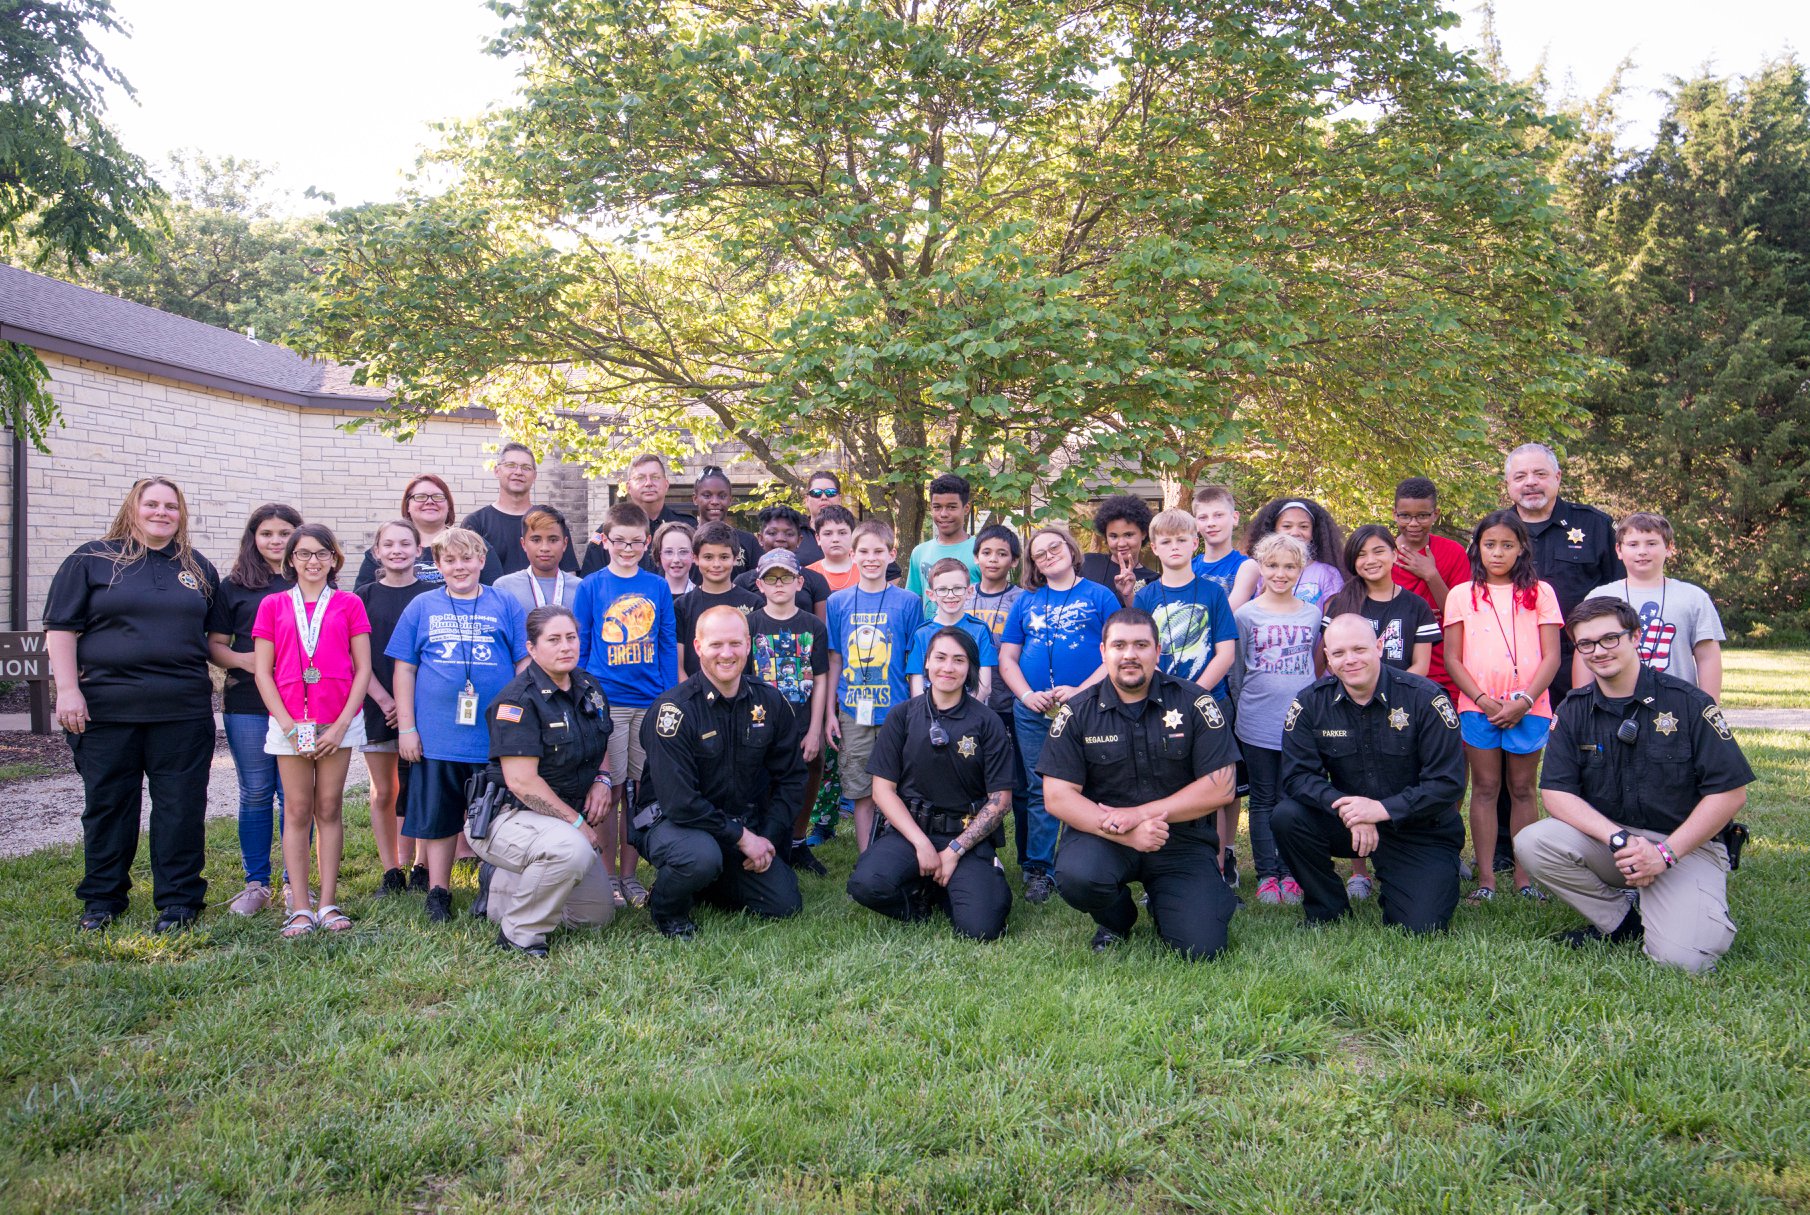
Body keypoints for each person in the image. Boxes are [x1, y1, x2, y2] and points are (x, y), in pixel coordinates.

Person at [1517, 598, 1754, 973]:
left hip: (1685, 847)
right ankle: (1620, 921)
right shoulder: (1574, 709)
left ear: (1636, 637)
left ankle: (1672, 899)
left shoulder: (1689, 704)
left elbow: (1729, 792)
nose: (1599, 651)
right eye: (1587, 644)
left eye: (1610, 638)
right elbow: (1556, 794)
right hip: (1615, 843)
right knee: (1534, 841)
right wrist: (1619, 840)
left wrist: (1663, 854)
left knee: (1682, 962)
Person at [46, 477, 222, 933]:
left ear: (181, 514)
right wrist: (68, 690)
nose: (162, 513)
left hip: (182, 711)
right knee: (108, 806)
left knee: (180, 808)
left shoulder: (197, 568)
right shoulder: (91, 559)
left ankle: (179, 900)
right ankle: (103, 900)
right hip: (106, 711)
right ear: (134, 508)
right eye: (152, 504)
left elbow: (214, 639)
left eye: (171, 506)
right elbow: (61, 629)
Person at [1041, 608, 1241, 959]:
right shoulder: (1077, 713)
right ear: (1103, 652)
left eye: (1140, 645)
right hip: (1105, 837)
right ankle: (1117, 918)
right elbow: (1057, 797)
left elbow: (1220, 787)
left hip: (1180, 840)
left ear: (1157, 650)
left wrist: (1140, 814)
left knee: (1202, 950)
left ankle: (1174, 903)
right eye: (1119, 645)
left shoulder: (1195, 702)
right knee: (1077, 877)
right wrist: (1126, 831)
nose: (1130, 654)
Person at [1272, 615, 1467, 934]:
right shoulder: (1311, 704)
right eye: (1338, 653)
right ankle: (1327, 908)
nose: (1349, 660)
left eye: (1359, 649)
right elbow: (1297, 777)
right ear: (1329, 660)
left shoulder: (1424, 698)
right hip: (1349, 823)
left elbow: (1447, 783)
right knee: (1288, 817)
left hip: (1419, 828)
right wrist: (1349, 807)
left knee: (1421, 928)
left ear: (1379, 647)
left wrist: (1380, 810)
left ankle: (1405, 882)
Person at [635, 606, 807, 938]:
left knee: (784, 904)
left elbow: (792, 777)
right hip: (675, 823)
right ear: (698, 647)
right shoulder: (673, 711)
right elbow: (679, 802)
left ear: (748, 645)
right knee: (700, 857)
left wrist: (766, 839)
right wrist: (743, 838)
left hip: (740, 826)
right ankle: (667, 907)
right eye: (715, 645)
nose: (726, 654)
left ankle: (709, 881)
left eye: (734, 644)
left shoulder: (769, 702)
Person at [389, 527, 530, 922]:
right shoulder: (421, 606)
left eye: (467, 558)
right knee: (439, 817)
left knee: (499, 816)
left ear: (481, 561)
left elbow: (523, 663)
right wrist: (407, 728)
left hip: (492, 736)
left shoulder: (504, 604)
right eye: (449, 560)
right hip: (437, 736)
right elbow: (404, 669)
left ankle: (496, 888)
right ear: (438, 565)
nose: (460, 566)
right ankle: (439, 891)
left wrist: (517, 720)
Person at [847, 627, 1015, 940]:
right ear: (926, 663)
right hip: (910, 833)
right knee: (866, 884)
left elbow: (1000, 801)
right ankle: (920, 899)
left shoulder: (987, 721)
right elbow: (882, 790)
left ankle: (953, 887)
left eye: (959, 660)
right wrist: (921, 844)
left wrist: (953, 851)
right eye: (940, 658)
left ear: (970, 668)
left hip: (965, 837)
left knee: (981, 928)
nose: (948, 667)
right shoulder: (902, 716)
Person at [472, 603, 617, 957]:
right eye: (553, 639)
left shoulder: (588, 685)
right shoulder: (517, 701)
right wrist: (576, 822)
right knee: (570, 850)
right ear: (532, 649)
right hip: (508, 816)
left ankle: (507, 884)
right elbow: (522, 782)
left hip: (559, 821)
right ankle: (519, 935)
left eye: (571, 637)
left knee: (594, 915)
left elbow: (603, 739)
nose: (566, 646)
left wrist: (603, 779)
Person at [252, 525, 373, 937]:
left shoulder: (350, 603)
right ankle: (300, 906)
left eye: (322, 553)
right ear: (290, 560)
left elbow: (363, 670)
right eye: (303, 554)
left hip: (337, 722)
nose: (313, 561)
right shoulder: (272, 605)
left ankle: (328, 903)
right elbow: (263, 672)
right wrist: (287, 726)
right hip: (290, 724)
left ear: (335, 559)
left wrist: (341, 725)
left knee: (329, 808)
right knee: (298, 810)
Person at [1442, 510, 1563, 901]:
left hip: (1530, 705)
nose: (1497, 553)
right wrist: (1482, 699)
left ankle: (1525, 879)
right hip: (1479, 707)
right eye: (1490, 544)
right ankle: (1487, 879)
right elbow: (1453, 659)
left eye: (1507, 545)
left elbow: (1552, 656)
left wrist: (1524, 701)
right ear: (1477, 547)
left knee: (1524, 788)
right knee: (1485, 787)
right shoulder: (1462, 594)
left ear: (1521, 548)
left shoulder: (1540, 592)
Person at [996, 525, 1117, 903]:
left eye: (1055, 547)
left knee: (1092, 785)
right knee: (1040, 788)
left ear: (1070, 547)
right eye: (1040, 554)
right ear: (1033, 565)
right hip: (1035, 711)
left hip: (1089, 708)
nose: (1049, 555)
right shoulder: (1027, 601)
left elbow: (1114, 653)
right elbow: (1008, 658)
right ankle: (1039, 869)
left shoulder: (1101, 596)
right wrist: (1027, 694)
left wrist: (1081, 691)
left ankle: (1089, 862)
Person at [574, 501, 679, 908]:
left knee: (638, 792)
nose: (628, 548)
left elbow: (667, 643)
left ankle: (630, 875)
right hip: (608, 701)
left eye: (637, 542)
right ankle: (605, 877)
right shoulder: (592, 586)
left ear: (647, 542)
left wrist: (667, 695)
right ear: (606, 540)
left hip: (648, 701)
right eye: (620, 541)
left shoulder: (656, 587)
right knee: (610, 788)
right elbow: (583, 642)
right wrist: (582, 693)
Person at [207, 502, 302, 916]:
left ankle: (294, 884)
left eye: (285, 533)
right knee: (257, 791)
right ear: (253, 538)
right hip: (248, 702)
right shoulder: (234, 586)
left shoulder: (310, 580)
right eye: (267, 533)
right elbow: (215, 646)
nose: (276, 541)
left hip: (302, 704)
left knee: (296, 796)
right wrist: (253, 662)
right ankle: (256, 883)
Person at [1135, 508, 1239, 884]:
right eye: (1166, 541)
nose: (1175, 546)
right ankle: (1162, 868)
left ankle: (1220, 865)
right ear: (1155, 549)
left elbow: (1225, 651)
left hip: (1211, 702)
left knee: (1213, 788)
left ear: (1195, 544)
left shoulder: (1213, 592)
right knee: (1165, 782)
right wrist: (1171, 693)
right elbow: (1143, 652)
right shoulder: (1146, 596)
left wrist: (1195, 693)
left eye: (1182, 540)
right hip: (1161, 703)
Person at [1232, 532, 1324, 905]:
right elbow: (1237, 671)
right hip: (1256, 719)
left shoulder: (1311, 613)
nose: (1280, 573)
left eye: (1289, 566)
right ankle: (1268, 874)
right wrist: (1244, 707)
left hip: (1299, 724)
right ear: (1261, 568)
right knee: (1263, 798)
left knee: (1293, 798)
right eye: (1272, 565)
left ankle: (1291, 871)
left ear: (1301, 569)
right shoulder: (1246, 614)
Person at [826, 520, 924, 851]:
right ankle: (867, 855)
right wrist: (829, 713)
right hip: (853, 709)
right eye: (864, 551)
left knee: (899, 783)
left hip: (896, 709)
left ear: (891, 554)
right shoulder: (837, 602)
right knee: (860, 787)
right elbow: (835, 659)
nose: (871, 558)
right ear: (852, 555)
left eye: (878, 551)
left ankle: (898, 849)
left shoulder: (908, 602)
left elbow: (913, 662)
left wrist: (916, 709)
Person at [357, 519, 435, 896]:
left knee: (420, 784)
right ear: (377, 552)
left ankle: (421, 864)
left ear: (419, 551)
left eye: (405, 543)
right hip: (377, 704)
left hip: (424, 706)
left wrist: (412, 706)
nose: (397, 550)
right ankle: (392, 869)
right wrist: (385, 699)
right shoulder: (362, 597)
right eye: (388, 544)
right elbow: (354, 658)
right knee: (384, 790)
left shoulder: (434, 594)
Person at [747, 549, 831, 875]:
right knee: (765, 782)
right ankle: (769, 842)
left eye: (786, 577)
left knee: (809, 772)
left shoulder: (812, 625)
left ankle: (797, 842)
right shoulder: (751, 623)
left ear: (799, 582)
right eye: (771, 578)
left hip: (803, 718)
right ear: (760, 584)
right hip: (762, 722)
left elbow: (821, 675)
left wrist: (816, 728)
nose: (778, 584)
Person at [1579, 512, 1725, 697]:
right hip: (1613, 706)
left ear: (1669, 547)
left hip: (1677, 705)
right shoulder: (1600, 596)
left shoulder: (1693, 598)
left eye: (1651, 543)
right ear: (1618, 550)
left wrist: (1709, 710)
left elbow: (1708, 658)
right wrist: (1583, 703)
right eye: (1633, 544)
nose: (1642, 551)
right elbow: (1584, 655)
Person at [964, 523, 1028, 867]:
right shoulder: (963, 594)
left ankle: (1027, 857)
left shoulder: (1021, 599)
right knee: (973, 779)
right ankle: (978, 848)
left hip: (1008, 703)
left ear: (1014, 561)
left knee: (1016, 784)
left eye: (1002, 553)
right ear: (976, 557)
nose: (993, 559)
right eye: (986, 552)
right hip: (968, 702)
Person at [1389, 476, 1469, 697]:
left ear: (1436, 514)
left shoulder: (1453, 552)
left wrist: (1431, 575)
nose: (1413, 524)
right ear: (1394, 513)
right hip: (1393, 665)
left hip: (1443, 666)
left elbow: (1462, 616)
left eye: (1423, 516)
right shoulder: (1380, 555)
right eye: (1405, 516)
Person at [1324, 525, 1439, 677]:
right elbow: (1332, 661)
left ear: (1394, 554)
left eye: (1378, 551)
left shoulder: (1417, 606)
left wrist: (1389, 691)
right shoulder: (1341, 603)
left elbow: (1421, 665)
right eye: (1361, 554)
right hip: (1352, 695)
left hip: (1402, 696)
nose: (1370, 560)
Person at [460, 443, 579, 582]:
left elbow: (569, 575)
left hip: (545, 603)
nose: (518, 472)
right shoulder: (475, 523)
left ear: (534, 476)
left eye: (526, 468)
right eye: (511, 465)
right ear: (497, 471)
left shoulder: (551, 520)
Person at [582, 453, 695, 576]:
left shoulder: (688, 526)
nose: (648, 483)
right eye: (640, 478)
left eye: (655, 477)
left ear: (666, 485)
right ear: (628, 487)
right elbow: (592, 581)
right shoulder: (609, 532)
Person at [676, 521, 764, 674]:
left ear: (736, 558)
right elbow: (678, 666)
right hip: (694, 693)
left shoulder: (754, 603)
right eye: (708, 557)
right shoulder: (682, 606)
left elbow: (760, 660)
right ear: (695, 558)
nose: (716, 564)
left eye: (724, 557)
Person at [906, 557, 997, 702]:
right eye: (942, 589)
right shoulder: (921, 633)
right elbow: (917, 688)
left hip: (970, 714)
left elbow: (984, 687)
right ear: (931, 595)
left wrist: (959, 715)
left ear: (970, 591)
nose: (950, 595)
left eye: (957, 588)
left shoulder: (980, 630)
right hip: (931, 717)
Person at [355, 474, 456, 590]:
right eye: (420, 497)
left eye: (438, 496)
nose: (429, 501)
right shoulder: (385, 551)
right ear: (408, 505)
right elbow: (361, 601)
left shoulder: (467, 545)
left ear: (449, 505)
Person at [734, 505, 834, 615]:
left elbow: (822, 628)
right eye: (772, 533)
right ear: (760, 539)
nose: (780, 539)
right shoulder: (743, 581)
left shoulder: (816, 580)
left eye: (789, 534)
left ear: (799, 540)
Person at [1247, 498, 1345, 608]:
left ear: (1313, 532)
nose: (1295, 532)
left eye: (1303, 527)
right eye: (1287, 526)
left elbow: (1331, 621)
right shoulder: (1258, 570)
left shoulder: (1327, 574)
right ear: (1274, 531)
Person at [903, 473, 980, 605]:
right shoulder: (919, 552)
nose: (943, 514)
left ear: (966, 508)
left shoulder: (981, 550)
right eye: (937, 507)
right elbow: (913, 602)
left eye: (951, 507)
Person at [493, 506, 581, 612]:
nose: (545, 548)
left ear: (565, 544)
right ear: (523, 544)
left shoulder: (581, 588)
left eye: (553, 540)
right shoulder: (504, 587)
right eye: (536, 540)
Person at [1078, 493, 1159, 604]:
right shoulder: (1087, 563)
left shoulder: (1153, 581)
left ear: (1144, 534)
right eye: (1114, 536)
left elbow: (1147, 620)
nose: (1121, 543)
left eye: (1128, 535)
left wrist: (1128, 596)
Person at [1192, 485, 1259, 608]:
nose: (1211, 523)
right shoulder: (1189, 567)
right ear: (1196, 524)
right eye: (1203, 517)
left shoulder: (1246, 567)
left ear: (1235, 518)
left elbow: (1227, 615)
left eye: (1219, 515)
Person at [689, 465, 762, 577]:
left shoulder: (748, 541)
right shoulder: (685, 541)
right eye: (707, 495)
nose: (715, 501)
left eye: (722, 496)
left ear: (730, 500)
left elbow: (759, 582)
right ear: (695, 499)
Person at [794, 469, 846, 567]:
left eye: (830, 492)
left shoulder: (854, 535)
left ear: (840, 499)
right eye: (816, 493)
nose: (824, 497)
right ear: (806, 500)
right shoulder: (793, 534)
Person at [805, 504, 859, 592]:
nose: (835, 539)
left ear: (852, 535)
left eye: (842, 533)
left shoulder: (865, 571)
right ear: (818, 539)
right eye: (828, 534)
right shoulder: (807, 574)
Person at [653, 520, 696, 600]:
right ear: (659, 555)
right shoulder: (648, 597)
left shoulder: (702, 598)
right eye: (669, 552)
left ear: (694, 556)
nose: (676, 559)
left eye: (683, 552)